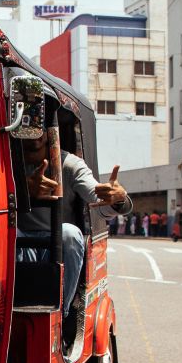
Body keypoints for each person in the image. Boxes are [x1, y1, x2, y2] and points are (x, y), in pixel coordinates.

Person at [20, 132, 132, 318]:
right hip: (19, 239)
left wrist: (116, 198)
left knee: (69, 234)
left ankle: (61, 316)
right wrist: (22, 191)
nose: (33, 136)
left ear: (48, 135)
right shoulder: (4, 163)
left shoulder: (69, 164)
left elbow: (96, 195)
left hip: (55, 243)